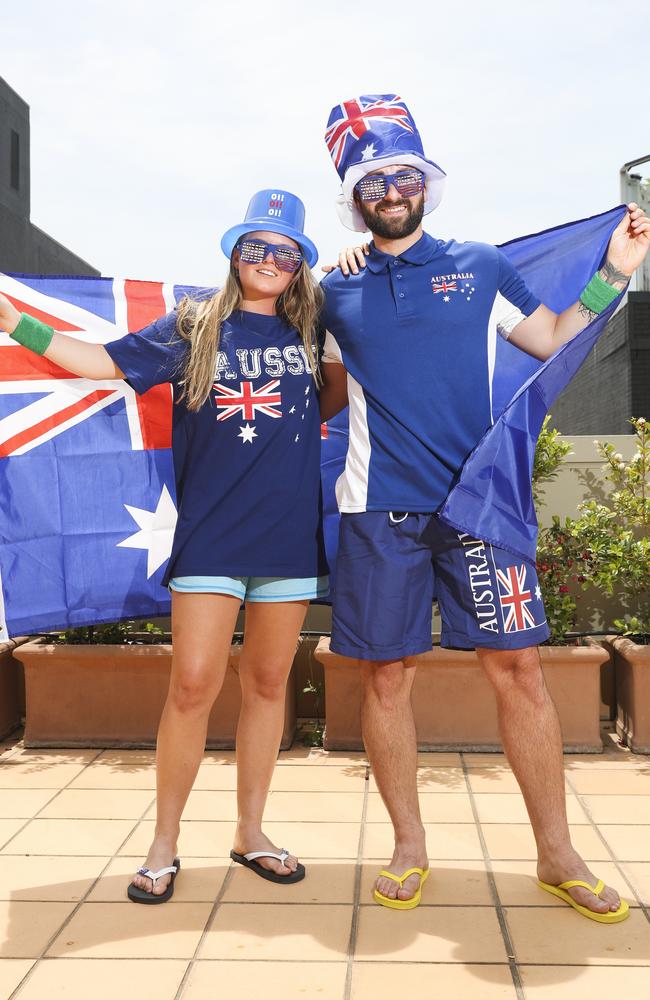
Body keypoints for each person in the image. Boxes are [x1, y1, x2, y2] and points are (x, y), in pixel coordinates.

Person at [318, 94, 650, 919]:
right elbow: (320, 402)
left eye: (402, 175)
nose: (390, 191)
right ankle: (409, 847)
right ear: (356, 198)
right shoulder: (332, 292)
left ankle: (557, 855)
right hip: (376, 512)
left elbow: (557, 336)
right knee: (386, 681)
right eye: (372, 181)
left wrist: (615, 271)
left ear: (423, 183)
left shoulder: (480, 267)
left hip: (477, 506)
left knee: (522, 672)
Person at [0, 189, 329, 902]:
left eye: (284, 250)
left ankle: (252, 832)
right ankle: (163, 842)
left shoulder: (316, 331)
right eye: (255, 247)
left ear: (301, 265)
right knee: (192, 686)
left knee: (270, 684)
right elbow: (97, 362)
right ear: (234, 254)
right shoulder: (193, 328)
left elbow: (336, 395)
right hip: (211, 536)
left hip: (289, 541)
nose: (268, 260)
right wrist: (16, 323)